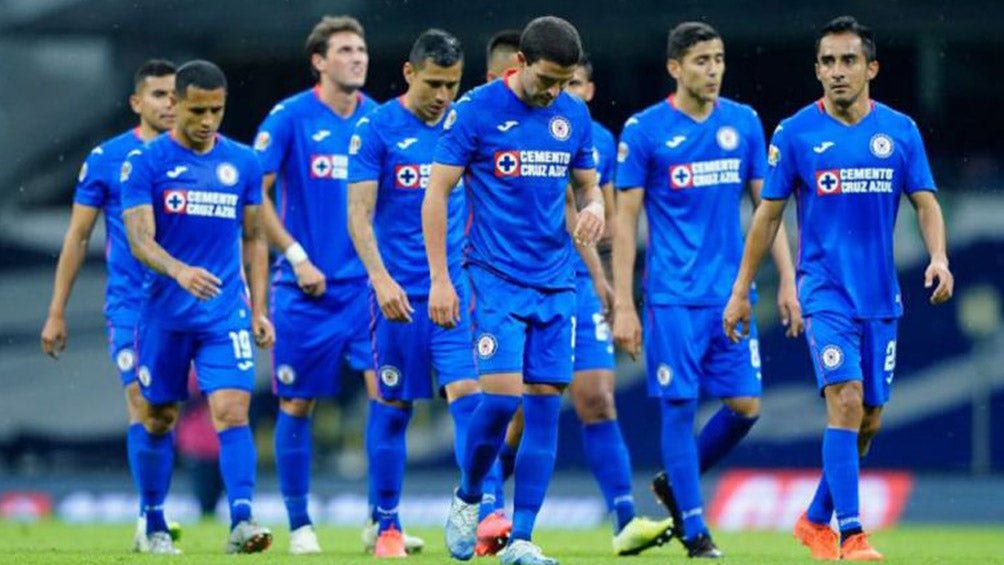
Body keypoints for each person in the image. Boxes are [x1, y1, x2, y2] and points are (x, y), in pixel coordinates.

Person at [722, 16, 953, 561]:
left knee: (868, 419)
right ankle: (851, 535)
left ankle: (814, 518)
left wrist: (939, 257)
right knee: (845, 401)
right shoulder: (795, 133)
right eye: (827, 61)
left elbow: (927, 203)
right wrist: (741, 290)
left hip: (880, 297)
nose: (836, 71)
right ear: (817, 70)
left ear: (871, 68)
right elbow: (767, 218)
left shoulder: (899, 131)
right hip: (824, 294)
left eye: (848, 60)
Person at [612, 22, 802, 558]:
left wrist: (787, 278)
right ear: (675, 67)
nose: (713, 70)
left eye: (718, 59)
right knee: (678, 408)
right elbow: (625, 222)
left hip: (730, 297)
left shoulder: (743, 123)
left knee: (745, 406)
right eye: (701, 61)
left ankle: (678, 481)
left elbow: (768, 208)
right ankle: (695, 531)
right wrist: (624, 303)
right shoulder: (645, 130)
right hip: (672, 298)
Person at [425, 16, 605, 565]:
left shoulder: (573, 115)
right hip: (494, 278)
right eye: (547, 79)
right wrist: (438, 277)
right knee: (501, 401)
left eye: (564, 80)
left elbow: (587, 185)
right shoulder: (476, 111)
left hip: (556, 282)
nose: (554, 91)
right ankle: (469, 494)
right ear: (519, 64)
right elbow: (436, 193)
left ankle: (522, 538)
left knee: (546, 405)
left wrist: (594, 208)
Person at [253, 15, 424, 555]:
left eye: (362, 49)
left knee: (389, 398)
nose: (358, 58)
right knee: (298, 404)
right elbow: (254, 198)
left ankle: (383, 520)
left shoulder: (379, 121)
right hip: (305, 292)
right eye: (345, 50)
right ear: (319, 61)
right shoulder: (290, 119)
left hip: (368, 292)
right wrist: (298, 255)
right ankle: (301, 524)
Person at [121, 59, 274, 555]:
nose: (208, 121)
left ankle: (243, 520)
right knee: (158, 417)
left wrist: (258, 308)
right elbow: (140, 239)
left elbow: (253, 239)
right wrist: (178, 269)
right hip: (165, 315)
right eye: (198, 110)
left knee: (231, 410)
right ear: (175, 105)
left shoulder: (244, 164)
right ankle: (154, 522)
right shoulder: (146, 163)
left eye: (217, 110)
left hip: (222, 314)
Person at [39, 59, 182, 553]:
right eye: (160, 95)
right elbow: (78, 236)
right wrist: (58, 311)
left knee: (165, 415)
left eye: (175, 95)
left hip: (185, 308)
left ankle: (158, 512)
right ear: (137, 103)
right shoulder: (108, 158)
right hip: (131, 306)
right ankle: (152, 521)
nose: (170, 104)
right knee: (142, 405)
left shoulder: (197, 157)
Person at [346, 28, 474, 559]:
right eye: (435, 83)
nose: (443, 95)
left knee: (471, 402)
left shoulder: (466, 126)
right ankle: (388, 526)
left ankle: (481, 511)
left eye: (452, 84)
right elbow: (358, 214)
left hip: (457, 294)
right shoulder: (376, 128)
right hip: (399, 296)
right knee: (394, 406)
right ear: (409, 73)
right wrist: (380, 279)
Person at [563, 57, 674, 556]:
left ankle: (625, 518)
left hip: (583, 284)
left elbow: (605, 221)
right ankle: (485, 504)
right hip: (520, 280)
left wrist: (612, 289)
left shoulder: (600, 143)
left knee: (596, 398)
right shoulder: (515, 129)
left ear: (589, 89)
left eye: (575, 83)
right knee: (516, 409)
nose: (566, 90)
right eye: (558, 81)